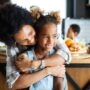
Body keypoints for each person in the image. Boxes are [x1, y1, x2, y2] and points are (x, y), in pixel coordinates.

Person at [0, 4, 71, 90]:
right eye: (24, 40)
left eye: (30, 33)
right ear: (15, 41)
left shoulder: (47, 30)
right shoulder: (13, 47)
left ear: (32, 23)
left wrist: (34, 64)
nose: (31, 40)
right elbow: (13, 83)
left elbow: (66, 55)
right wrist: (48, 71)